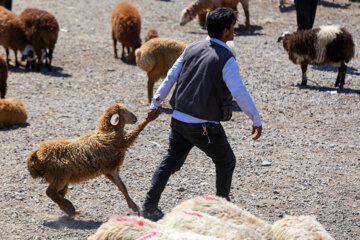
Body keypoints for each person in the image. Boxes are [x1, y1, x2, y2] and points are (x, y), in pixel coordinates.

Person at [142, 7, 262, 221]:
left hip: (178, 119)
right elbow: (239, 92)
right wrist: (255, 117)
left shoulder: (191, 49)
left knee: (171, 161)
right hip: (203, 125)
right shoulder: (227, 58)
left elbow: (170, 77)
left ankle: (149, 206)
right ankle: (220, 212)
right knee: (226, 161)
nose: (235, 31)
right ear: (225, 31)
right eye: (233, 27)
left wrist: (155, 104)